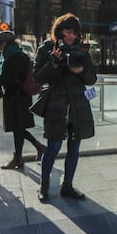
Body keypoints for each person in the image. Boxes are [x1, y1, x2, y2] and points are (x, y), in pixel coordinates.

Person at [33, 13, 96, 202]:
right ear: (59, 31)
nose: (71, 36)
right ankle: (44, 186)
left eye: (74, 33)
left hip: (77, 104)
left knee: (74, 147)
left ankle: (67, 185)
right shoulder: (47, 48)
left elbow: (92, 79)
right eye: (68, 31)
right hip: (56, 104)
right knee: (53, 146)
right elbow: (38, 78)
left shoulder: (82, 50)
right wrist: (53, 61)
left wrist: (82, 70)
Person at [0, 30, 46, 169]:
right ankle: (34, 149)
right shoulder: (20, 54)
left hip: (16, 98)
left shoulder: (13, 57)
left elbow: (10, 80)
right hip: (22, 97)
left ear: (5, 43)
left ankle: (19, 158)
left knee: (18, 128)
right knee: (19, 128)